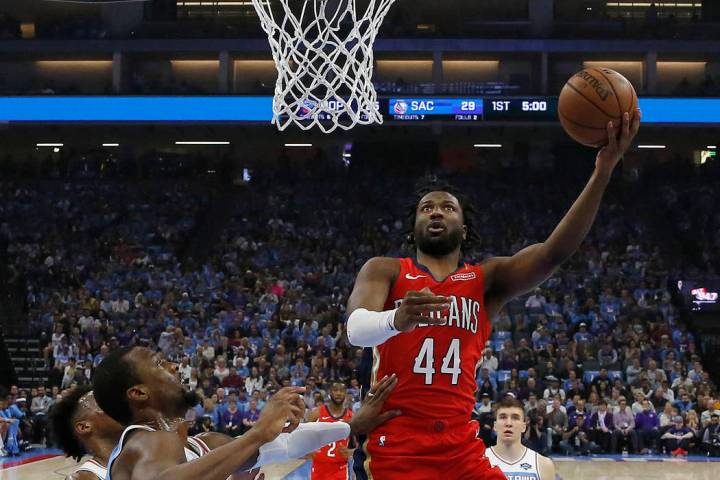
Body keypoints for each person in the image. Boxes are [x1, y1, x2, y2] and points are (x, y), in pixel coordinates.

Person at [346, 110, 640, 478]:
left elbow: (553, 253)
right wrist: (396, 319)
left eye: (447, 207)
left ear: (463, 229)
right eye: (427, 208)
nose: (436, 212)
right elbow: (355, 329)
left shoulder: (486, 279)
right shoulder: (385, 269)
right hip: (395, 444)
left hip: (459, 446)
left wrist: (603, 172)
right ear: (414, 227)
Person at [92, 346, 397, 480]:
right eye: (159, 364)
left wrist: (351, 425)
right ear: (139, 394)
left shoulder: (206, 444)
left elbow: (286, 445)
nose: (173, 365)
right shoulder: (144, 440)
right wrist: (255, 434)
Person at [486, 396, 555, 478]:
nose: (508, 423)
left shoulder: (544, 465)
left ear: (523, 427)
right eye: (503, 417)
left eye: (515, 418)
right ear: (495, 426)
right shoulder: (478, 461)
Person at [306, 382, 354, 480]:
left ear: (346, 394)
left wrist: (352, 452)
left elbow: (363, 442)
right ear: (330, 393)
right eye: (335, 390)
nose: (338, 393)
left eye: (342, 391)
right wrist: (307, 449)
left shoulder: (352, 417)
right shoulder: (317, 413)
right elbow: (303, 435)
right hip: (319, 467)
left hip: (340, 468)